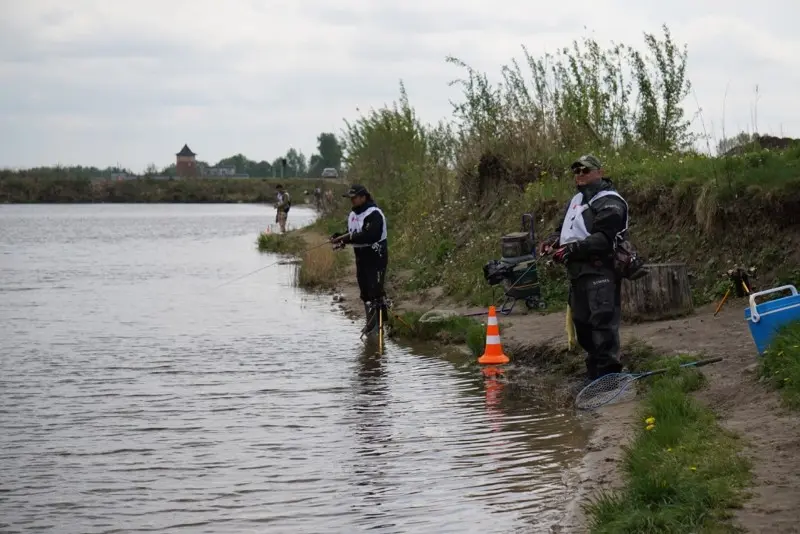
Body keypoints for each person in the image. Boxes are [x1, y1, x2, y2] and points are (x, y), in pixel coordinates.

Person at [540, 154, 628, 382]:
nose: (580, 175)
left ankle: (609, 377)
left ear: (599, 172)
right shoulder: (575, 200)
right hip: (577, 273)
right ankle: (593, 376)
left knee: (603, 323)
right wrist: (551, 242)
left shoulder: (610, 201)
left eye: (585, 170)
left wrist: (573, 249)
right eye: (577, 171)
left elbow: (604, 238)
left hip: (600, 270)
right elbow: (562, 231)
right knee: (582, 324)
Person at [330, 184, 388, 336]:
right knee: (365, 292)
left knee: (376, 291)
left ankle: (379, 328)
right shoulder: (353, 214)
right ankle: (371, 325)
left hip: (376, 258)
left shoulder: (374, 214)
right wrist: (339, 238)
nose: (352, 201)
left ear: (363, 197)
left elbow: (370, 235)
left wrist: (347, 238)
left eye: (354, 198)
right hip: (361, 257)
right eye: (350, 199)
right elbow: (352, 233)